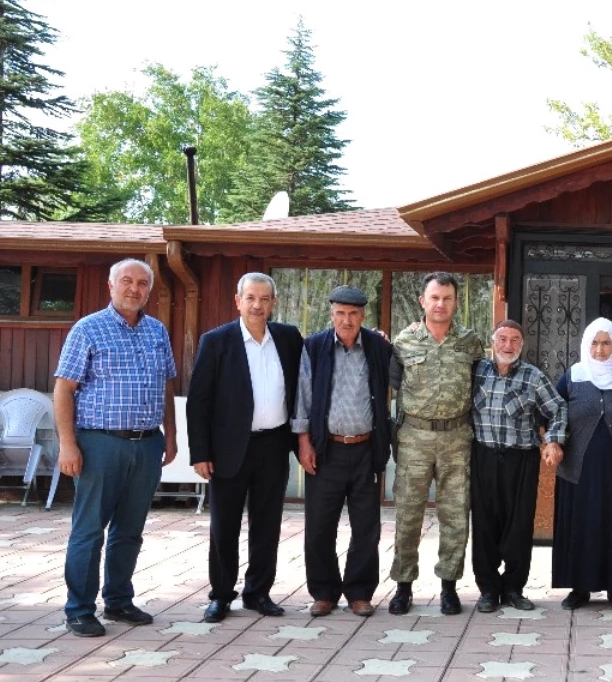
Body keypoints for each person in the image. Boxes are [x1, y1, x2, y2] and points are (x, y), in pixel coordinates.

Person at [54, 258, 178, 637]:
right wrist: (67, 445)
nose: (134, 288)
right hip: (99, 443)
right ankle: (79, 608)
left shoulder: (157, 331)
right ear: (111, 286)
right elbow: (64, 388)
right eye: (127, 281)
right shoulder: (88, 329)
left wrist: (170, 435)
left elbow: (167, 386)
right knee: (89, 529)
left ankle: (119, 600)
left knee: (130, 529)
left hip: (146, 444)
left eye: (142, 283)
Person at [187, 272, 303, 622]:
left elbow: (311, 374)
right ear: (238, 301)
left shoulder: (288, 338)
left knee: (267, 524)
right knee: (225, 525)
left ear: (273, 303)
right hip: (227, 450)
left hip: (273, 444)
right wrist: (200, 452)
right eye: (251, 297)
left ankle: (258, 593)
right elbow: (199, 402)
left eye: (264, 299)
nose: (257, 305)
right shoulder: (216, 341)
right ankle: (221, 594)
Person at [293, 285, 392, 618]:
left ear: (363, 316)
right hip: (327, 450)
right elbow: (303, 398)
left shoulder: (378, 346)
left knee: (367, 526)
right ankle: (323, 592)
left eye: (352, 314)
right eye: (340, 313)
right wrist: (304, 442)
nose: (346, 320)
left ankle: (360, 592)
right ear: (331, 314)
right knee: (320, 525)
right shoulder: (315, 346)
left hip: (366, 449)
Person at [388, 272, 483, 616]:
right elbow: (391, 384)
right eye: (435, 298)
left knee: (456, 515)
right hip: (414, 437)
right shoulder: (404, 341)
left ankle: (448, 586)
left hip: (457, 437)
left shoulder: (470, 342)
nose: (440, 304)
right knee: (408, 513)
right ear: (422, 301)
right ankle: (403, 586)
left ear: (456, 302)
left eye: (447, 298)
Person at [553, 317, 612, 612]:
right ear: (586, 344)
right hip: (578, 470)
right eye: (594, 342)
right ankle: (578, 588)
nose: (599, 349)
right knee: (580, 527)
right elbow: (554, 411)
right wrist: (551, 442)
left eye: (606, 342)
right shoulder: (573, 377)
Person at [471, 320, 566, 612]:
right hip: (483, 456)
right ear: (492, 341)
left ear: (521, 345)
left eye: (514, 340)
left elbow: (558, 408)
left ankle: (513, 588)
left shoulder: (533, 377)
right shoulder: (477, 372)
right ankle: (488, 590)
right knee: (485, 525)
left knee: (519, 526)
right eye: (502, 339)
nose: (507, 346)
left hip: (521, 460)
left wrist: (553, 440)